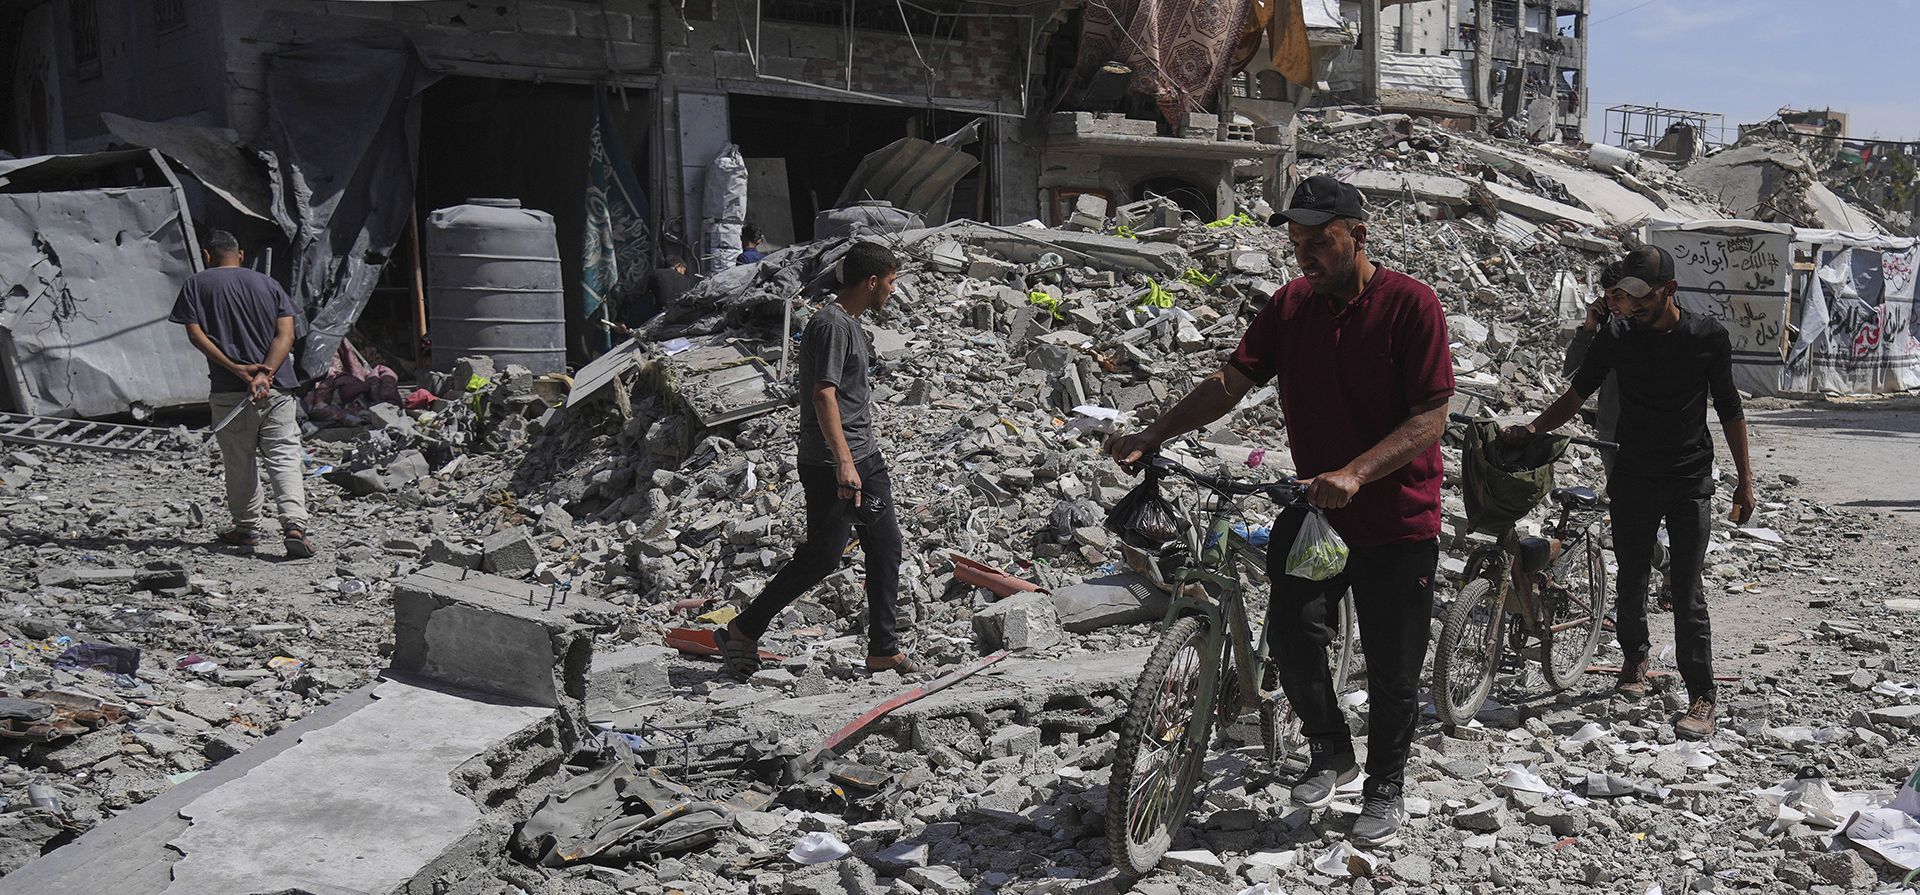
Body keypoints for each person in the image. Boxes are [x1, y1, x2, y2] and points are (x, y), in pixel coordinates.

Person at [1107, 175, 1453, 848]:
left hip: (1396, 518)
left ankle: (1385, 784)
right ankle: (1330, 750)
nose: (1306, 255)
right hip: (1315, 509)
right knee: (1292, 635)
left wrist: (1355, 473)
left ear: (1358, 236)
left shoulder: (1411, 305)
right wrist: (1156, 433)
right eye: (1297, 243)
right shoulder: (1292, 306)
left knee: (1392, 665)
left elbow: (1430, 419)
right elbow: (1229, 383)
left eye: (1320, 241)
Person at [1503, 244, 1755, 741]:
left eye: (1642, 296)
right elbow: (1576, 395)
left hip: (1688, 480)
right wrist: (1532, 429)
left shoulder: (1706, 336)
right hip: (1633, 475)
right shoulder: (1617, 336)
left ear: (1669, 290)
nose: (1632, 305)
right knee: (1632, 577)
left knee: (1686, 589)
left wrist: (1745, 481)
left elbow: (1729, 407)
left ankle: (1702, 694)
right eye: (1626, 295)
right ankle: (1635, 660)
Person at [716, 242, 924, 677]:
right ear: (871, 282)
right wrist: (844, 463)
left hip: (865, 455)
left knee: (885, 547)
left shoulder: (850, 324)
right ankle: (744, 628)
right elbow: (823, 395)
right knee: (823, 556)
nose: (892, 290)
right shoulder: (831, 325)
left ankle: (883, 648)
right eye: (890, 282)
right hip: (832, 463)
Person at [169, 230, 315, 559]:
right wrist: (266, 372)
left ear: (207, 256)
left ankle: (247, 529)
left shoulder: (196, 285)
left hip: (229, 391)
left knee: (238, 461)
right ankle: (294, 525)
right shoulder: (269, 284)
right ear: (241, 254)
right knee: (284, 456)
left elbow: (195, 335)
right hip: (276, 388)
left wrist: (237, 369)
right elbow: (286, 334)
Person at [610, 249, 694, 336]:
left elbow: (633, 295)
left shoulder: (655, 274)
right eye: (684, 270)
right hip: (683, 320)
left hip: (661, 318)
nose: (683, 274)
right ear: (678, 266)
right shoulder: (687, 281)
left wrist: (621, 320)